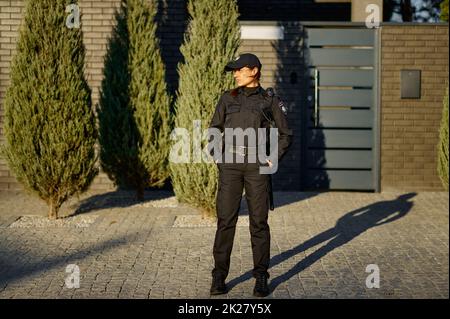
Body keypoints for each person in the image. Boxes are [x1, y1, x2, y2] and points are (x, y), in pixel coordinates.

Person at [208, 53, 293, 297]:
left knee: (258, 222)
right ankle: (219, 276)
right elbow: (214, 128)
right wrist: (217, 156)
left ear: (254, 70)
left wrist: (272, 159)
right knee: (226, 221)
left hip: (257, 166)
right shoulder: (227, 98)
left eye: (239, 69)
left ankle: (261, 277)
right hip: (231, 166)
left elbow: (286, 134)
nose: (235, 74)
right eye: (233, 70)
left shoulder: (269, 100)